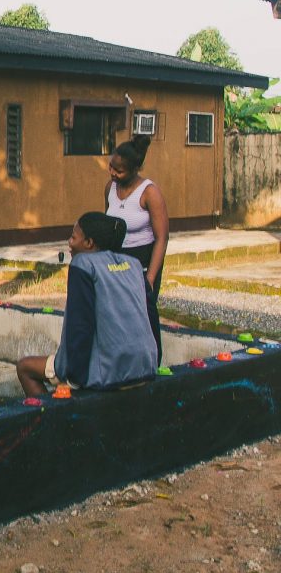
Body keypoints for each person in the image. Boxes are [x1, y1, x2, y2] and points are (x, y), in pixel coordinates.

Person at [16, 212, 161, 398]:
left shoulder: (82, 264)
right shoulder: (133, 264)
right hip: (145, 368)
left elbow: (80, 323)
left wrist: (75, 377)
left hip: (106, 373)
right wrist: (154, 363)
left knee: (25, 367)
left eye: (73, 237)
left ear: (89, 243)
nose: (69, 243)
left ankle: (52, 420)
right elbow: (151, 313)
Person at [105, 135, 168, 298]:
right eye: (111, 167)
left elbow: (162, 238)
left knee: (143, 316)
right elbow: (108, 226)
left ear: (134, 170)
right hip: (117, 263)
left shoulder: (149, 192)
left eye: (119, 171)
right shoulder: (110, 188)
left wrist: (150, 278)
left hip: (143, 264)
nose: (112, 173)